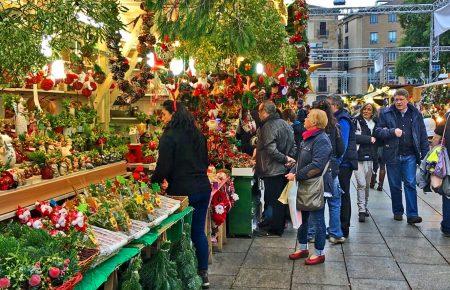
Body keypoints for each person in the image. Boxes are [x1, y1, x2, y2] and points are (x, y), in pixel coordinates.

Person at [151, 100, 211, 288]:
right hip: (203, 188)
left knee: (179, 234)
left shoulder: (169, 136)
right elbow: (205, 161)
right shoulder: (198, 135)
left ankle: (179, 275)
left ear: (172, 115)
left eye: (164, 114)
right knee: (198, 232)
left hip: (183, 193)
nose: (163, 118)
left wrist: (154, 180)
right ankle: (203, 273)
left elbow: (164, 166)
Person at [375, 89, 429, 224]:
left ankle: (412, 214)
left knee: (410, 183)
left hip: (410, 154)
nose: (398, 102)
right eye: (396, 99)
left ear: (407, 99)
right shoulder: (386, 113)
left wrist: (425, 154)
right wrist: (392, 131)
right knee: (394, 185)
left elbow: (422, 133)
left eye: (401, 99)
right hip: (392, 154)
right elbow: (377, 131)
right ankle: (398, 211)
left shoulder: (415, 113)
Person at [286, 109, 332, 265]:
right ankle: (303, 247)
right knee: (302, 218)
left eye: (307, 117)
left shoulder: (322, 139)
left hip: (317, 186)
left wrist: (297, 175)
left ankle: (319, 252)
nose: (304, 119)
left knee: (318, 219)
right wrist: (292, 171)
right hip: (305, 184)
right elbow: (301, 161)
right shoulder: (307, 138)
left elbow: (317, 165)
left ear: (314, 122)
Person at [255, 100, 296, 237]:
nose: (259, 114)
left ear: (265, 112)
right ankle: (273, 224)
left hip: (272, 169)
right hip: (283, 168)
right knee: (279, 199)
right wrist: (289, 159)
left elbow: (271, 149)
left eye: (260, 111)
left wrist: (285, 159)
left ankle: (275, 228)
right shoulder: (285, 123)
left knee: (274, 199)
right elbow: (293, 145)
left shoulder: (268, 126)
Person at [309, 100, 346, 244]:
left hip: (316, 170)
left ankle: (313, 233)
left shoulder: (313, 130)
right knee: (334, 203)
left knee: (314, 202)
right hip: (332, 169)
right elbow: (341, 149)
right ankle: (335, 234)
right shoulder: (335, 127)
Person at [326, 95, 358, 238]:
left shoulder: (343, 119)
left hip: (344, 164)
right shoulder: (338, 118)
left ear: (335, 106)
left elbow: (342, 145)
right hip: (341, 163)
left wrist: (336, 164)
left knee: (342, 195)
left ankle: (343, 228)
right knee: (338, 195)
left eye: (328, 105)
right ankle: (337, 228)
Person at [354, 103, 378, 222]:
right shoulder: (356, 121)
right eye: (364, 109)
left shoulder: (376, 123)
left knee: (367, 185)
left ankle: (365, 207)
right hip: (358, 156)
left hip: (371, 157)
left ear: (373, 112)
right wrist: (369, 139)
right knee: (361, 184)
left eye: (369, 109)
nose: (366, 111)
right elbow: (354, 137)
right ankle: (361, 210)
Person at [433, 111, 450, 236]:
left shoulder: (448, 116)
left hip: (447, 162)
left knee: (448, 192)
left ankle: (447, 226)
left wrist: (433, 156)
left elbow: (436, 138)